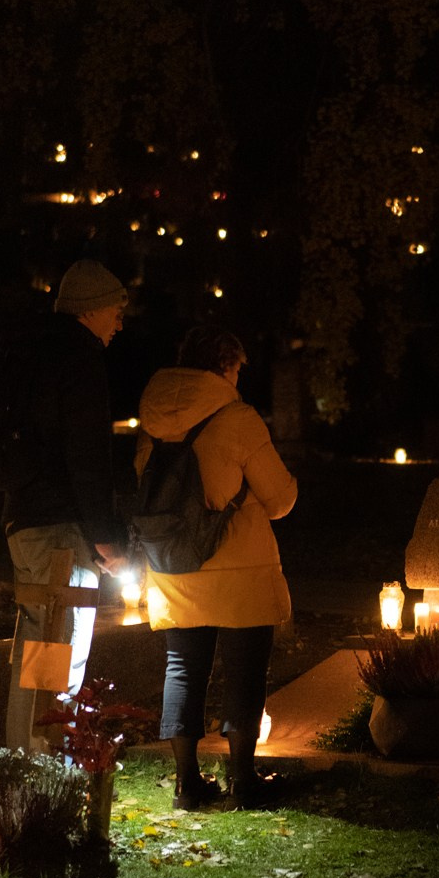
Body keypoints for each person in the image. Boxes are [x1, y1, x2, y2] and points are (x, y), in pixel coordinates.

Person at [135, 325, 297, 810]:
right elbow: (280, 499)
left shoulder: (153, 420)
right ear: (225, 365)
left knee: (182, 668)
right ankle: (243, 781)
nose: (240, 376)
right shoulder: (238, 418)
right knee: (245, 671)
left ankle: (187, 784)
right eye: (238, 368)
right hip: (238, 570)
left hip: (173, 567)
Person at [4, 259, 129, 753]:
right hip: (61, 528)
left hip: (24, 518)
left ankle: (24, 761)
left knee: (37, 644)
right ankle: (46, 768)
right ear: (93, 310)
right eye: (117, 312)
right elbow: (87, 454)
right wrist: (105, 535)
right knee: (61, 647)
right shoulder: (79, 358)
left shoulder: (30, 352)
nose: (119, 324)